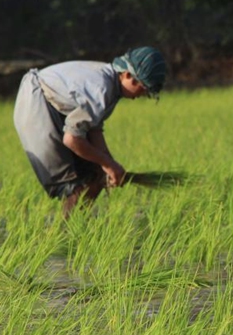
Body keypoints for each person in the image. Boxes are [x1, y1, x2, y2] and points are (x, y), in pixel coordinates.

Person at [13, 46, 167, 216]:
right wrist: (109, 164)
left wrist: (110, 165)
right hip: (37, 103)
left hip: (53, 106)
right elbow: (72, 139)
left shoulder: (111, 86)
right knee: (75, 185)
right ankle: (63, 235)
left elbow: (93, 130)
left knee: (96, 176)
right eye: (144, 88)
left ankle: (76, 230)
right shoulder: (101, 89)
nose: (143, 95)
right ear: (128, 75)